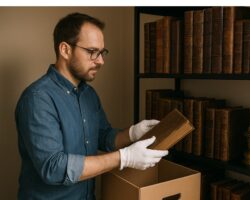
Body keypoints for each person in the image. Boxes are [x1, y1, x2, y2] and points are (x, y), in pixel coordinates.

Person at [15, 12, 168, 200]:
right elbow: (53, 168)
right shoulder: (37, 99)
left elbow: (103, 137)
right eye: (92, 52)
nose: (101, 61)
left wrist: (132, 133)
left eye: (102, 52)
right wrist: (124, 157)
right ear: (65, 50)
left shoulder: (89, 95)